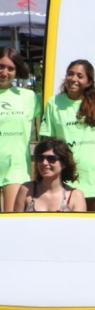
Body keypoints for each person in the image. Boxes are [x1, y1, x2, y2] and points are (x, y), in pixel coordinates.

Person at [40, 59, 95, 212]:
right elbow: (48, 142)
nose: (74, 79)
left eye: (80, 76)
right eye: (70, 74)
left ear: (88, 82)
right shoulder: (54, 103)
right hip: (67, 178)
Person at [0, 47, 39, 212]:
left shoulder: (29, 97)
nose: (4, 72)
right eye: (1, 66)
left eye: (10, 68)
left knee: (12, 222)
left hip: (16, 167)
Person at [13, 139, 86, 212]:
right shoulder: (26, 190)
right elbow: (15, 222)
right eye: (40, 158)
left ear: (63, 163)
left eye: (51, 158)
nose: (44, 163)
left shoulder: (76, 196)